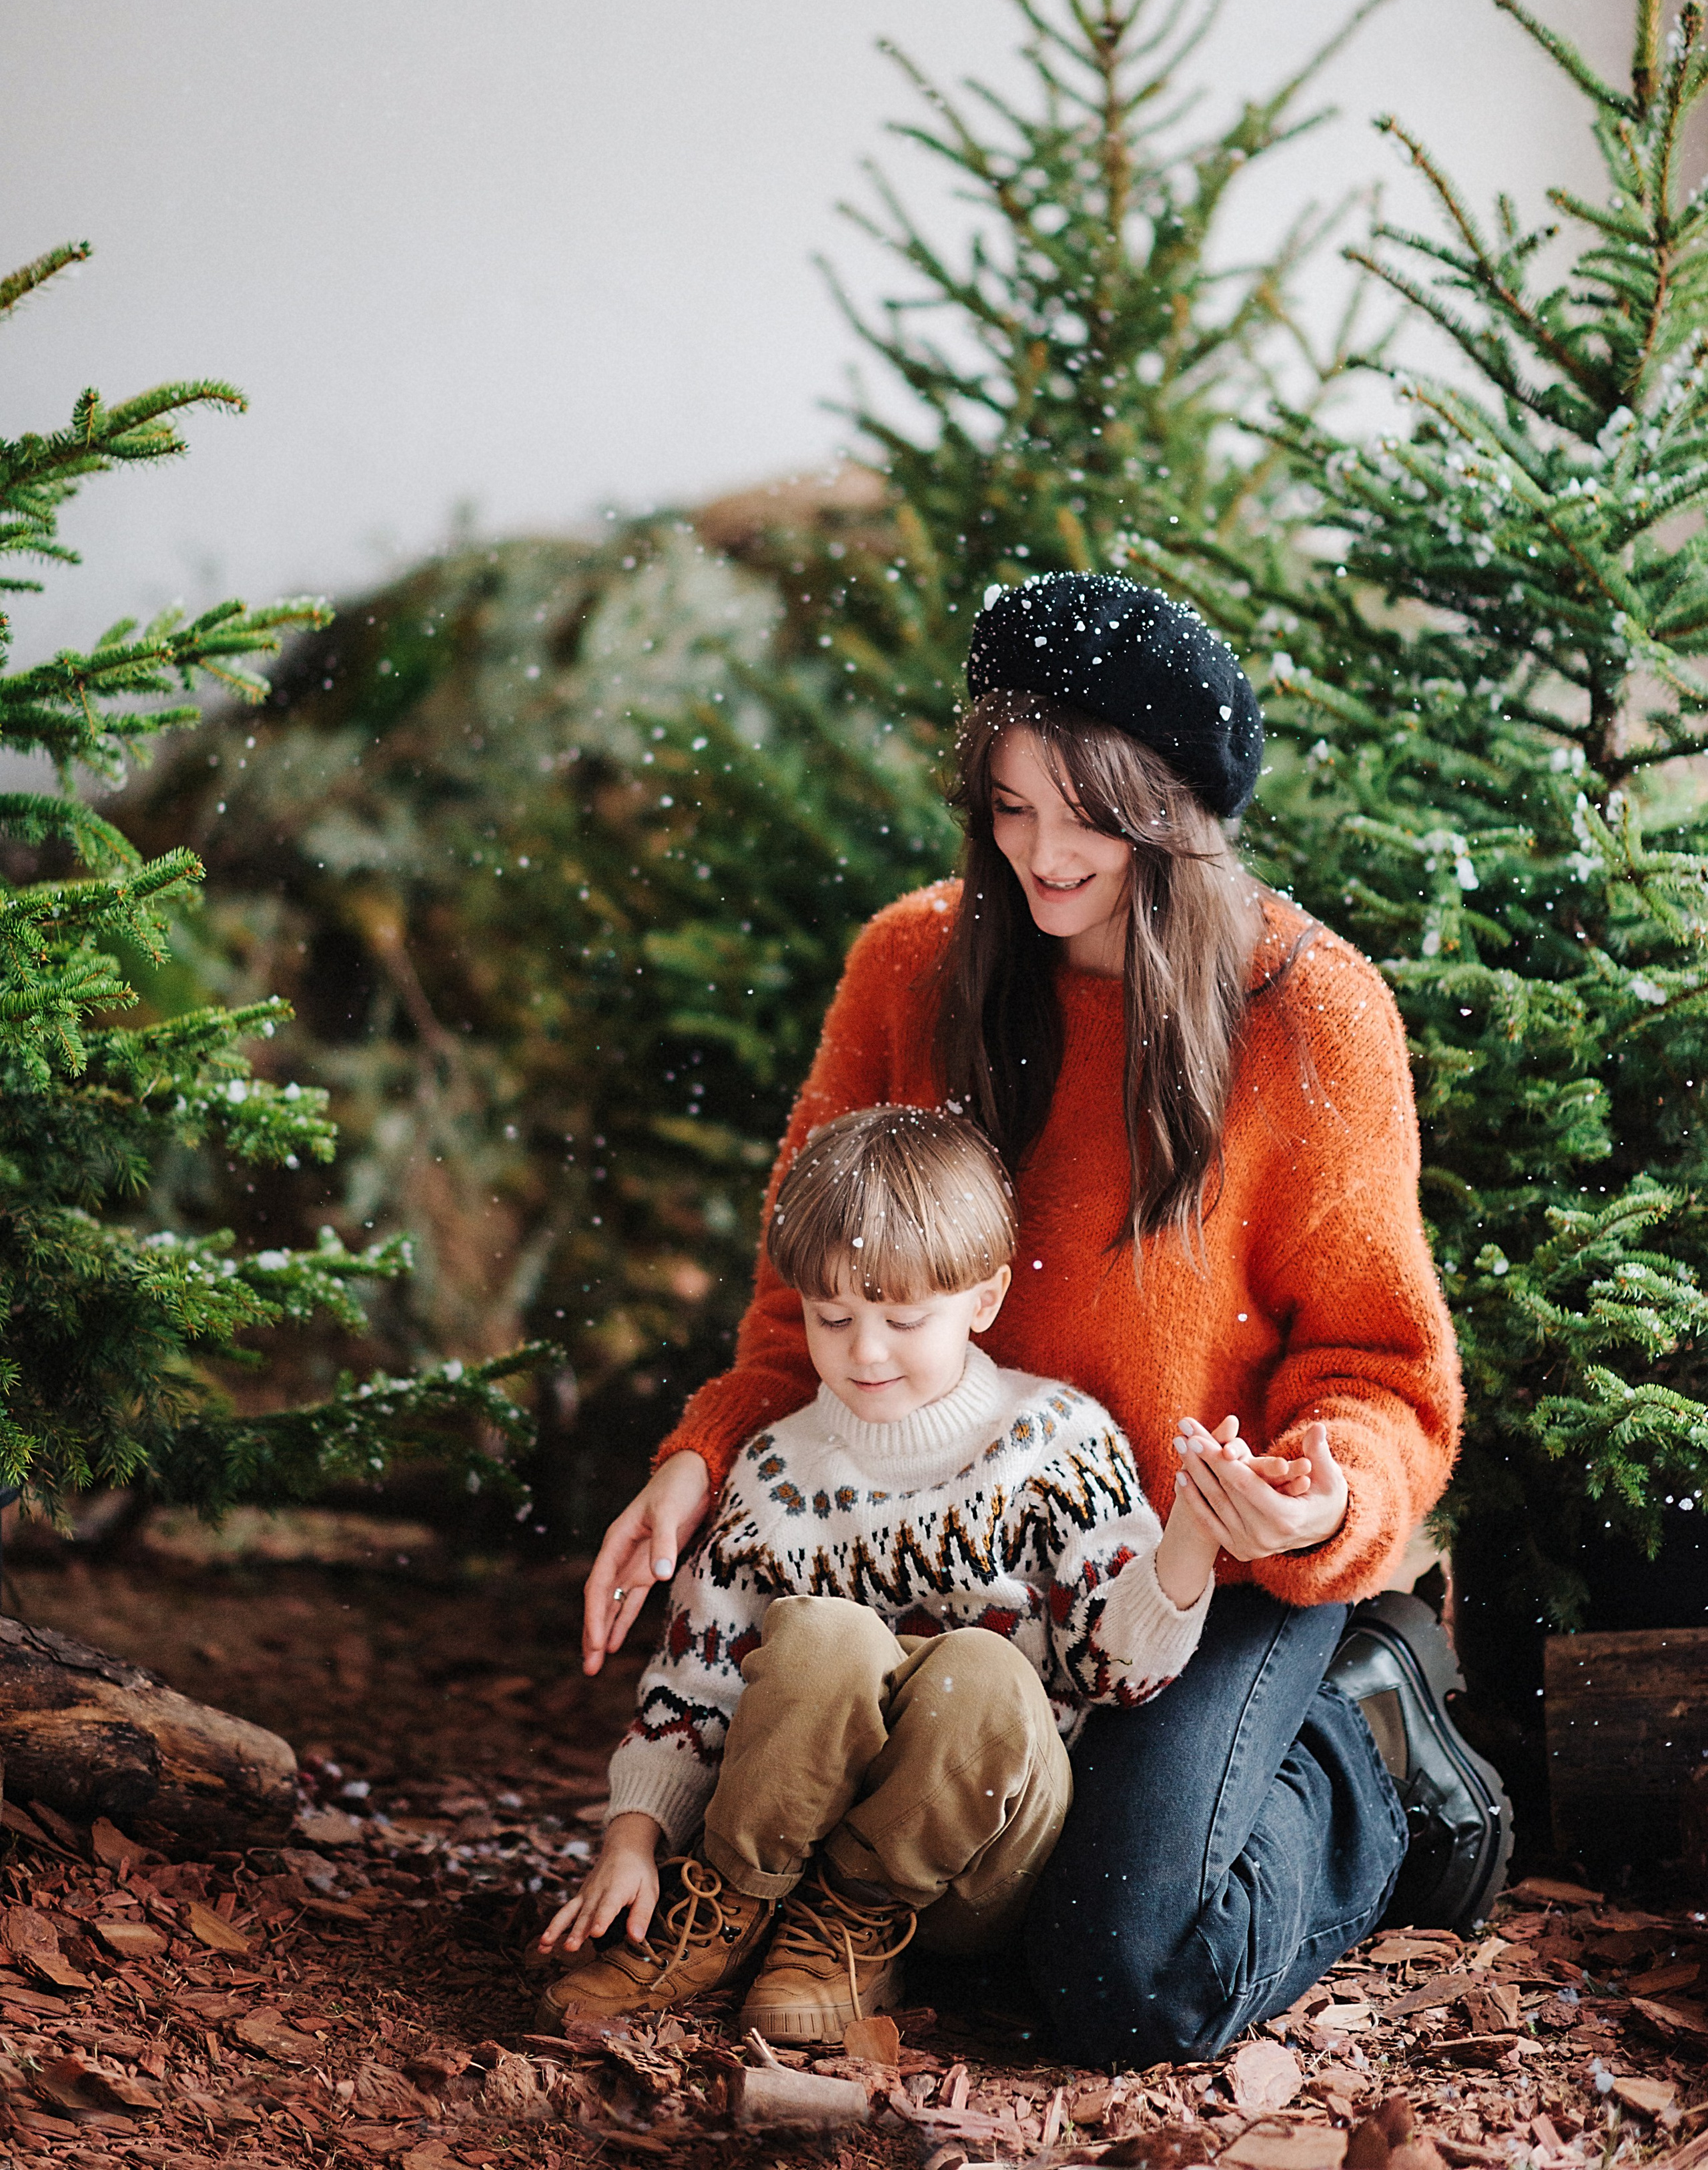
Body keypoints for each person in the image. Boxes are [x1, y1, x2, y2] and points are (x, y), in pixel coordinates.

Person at [579, 571, 1510, 2067]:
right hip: (955, 1543)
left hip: (1204, 1561)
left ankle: (1371, 1760)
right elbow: (811, 1289)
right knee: (964, 1910)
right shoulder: (913, 966)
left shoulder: (1308, 1014)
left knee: (1121, 1979)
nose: (1042, 855)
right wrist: (699, 1456)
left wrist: (1320, 1494)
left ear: (1180, 812)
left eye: (1089, 817)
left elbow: (1380, 1368)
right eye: (1008, 809)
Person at [536, 1103, 1292, 2039]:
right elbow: (695, 1686)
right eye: (833, 1315)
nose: (864, 1350)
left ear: (984, 1299)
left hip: (974, 1861)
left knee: (980, 1670)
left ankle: (855, 1926)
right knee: (822, 1635)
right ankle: (727, 1905)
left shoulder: (1054, 1443)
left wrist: (1187, 1536)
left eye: (903, 1317)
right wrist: (632, 1839)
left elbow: (1114, 1670)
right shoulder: (776, 1473)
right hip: (781, 1835)